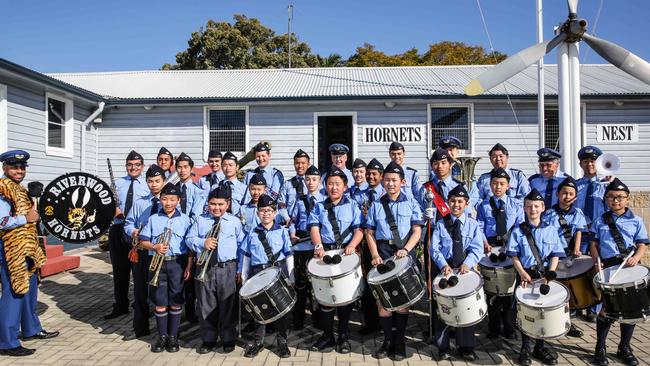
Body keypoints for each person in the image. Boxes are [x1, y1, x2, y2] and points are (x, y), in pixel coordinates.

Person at [0, 150, 58, 357]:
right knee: (15, 291)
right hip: (11, 248)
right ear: (5, 168)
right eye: (15, 167)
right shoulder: (3, 189)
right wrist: (27, 219)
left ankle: (31, 329)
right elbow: (1, 221)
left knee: (30, 289)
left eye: (22, 167)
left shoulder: (19, 189)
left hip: (27, 247)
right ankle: (6, 341)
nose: (19, 170)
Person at [365, 162, 423, 361]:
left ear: (402, 182)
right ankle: (387, 340)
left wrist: (406, 249)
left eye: (394, 180)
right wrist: (374, 255)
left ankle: (400, 341)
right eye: (387, 180)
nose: (390, 184)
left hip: (404, 252)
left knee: (402, 300)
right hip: (383, 250)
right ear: (382, 181)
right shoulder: (376, 205)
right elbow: (370, 232)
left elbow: (417, 230)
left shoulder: (412, 203)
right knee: (383, 301)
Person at [590, 178, 648, 366]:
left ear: (627, 199)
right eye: (611, 197)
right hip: (608, 268)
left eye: (620, 197)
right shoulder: (600, 220)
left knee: (630, 311)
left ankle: (624, 347)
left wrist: (637, 257)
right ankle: (600, 348)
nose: (616, 201)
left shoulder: (636, 220)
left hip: (629, 268)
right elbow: (594, 244)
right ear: (606, 199)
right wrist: (597, 261)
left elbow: (641, 244)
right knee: (606, 310)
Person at [506, 189, 565, 366]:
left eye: (536, 206)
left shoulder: (551, 230)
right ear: (524, 208)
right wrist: (522, 272)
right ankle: (525, 347)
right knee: (526, 311)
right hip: (526, 275)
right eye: (529, 206)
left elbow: (556, 253)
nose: (533, 209)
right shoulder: (517, 230)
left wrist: (550, 273)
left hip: (544, 277)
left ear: (543, 207)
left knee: (543, 311)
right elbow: (514, 255)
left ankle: (540, 346)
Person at [308, 167, 363, 353]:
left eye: (337, 184)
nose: (333, 187)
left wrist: (353, 245)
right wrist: (318, 246)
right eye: (330, 184)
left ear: (345, 187)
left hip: (346, 254)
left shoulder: (353, 205)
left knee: (345, 297)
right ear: (325, 186)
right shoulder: (318, 206)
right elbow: (314, 227)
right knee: (325, 297)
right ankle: (327, 336)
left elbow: (359, 229)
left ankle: (344, 337)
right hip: (326, 254)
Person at [187, 184, 244, 354]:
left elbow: (242, 246)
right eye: (213, 204)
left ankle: (228, 338)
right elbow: (189, 239)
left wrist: (240, 269)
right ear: (208, 204)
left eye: (220, 204)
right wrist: (201, 243)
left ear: (227, 204)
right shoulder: (200, 220)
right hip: (205, 267)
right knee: (206, 304)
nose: (216, 208)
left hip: (227, 268)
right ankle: (209, 339)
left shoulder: (234, 222)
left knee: (228, 304)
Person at [429, 184, 483, 362]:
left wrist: (468, 263)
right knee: (444, 308)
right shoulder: (440, 223)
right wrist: (443, 264)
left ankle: (466, 347)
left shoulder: (473, 225)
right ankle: (443, 346)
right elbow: (434, 248)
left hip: (463, 270)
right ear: (448, 202)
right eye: (452, 201)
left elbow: (477, 249)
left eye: (460, 201)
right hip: (445, 269)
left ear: (466, 203)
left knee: (464, 307)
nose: (456, 205)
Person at [238, 194, 294, 358]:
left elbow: (289, 254)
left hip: (278, 273)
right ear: (257, 213)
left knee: (281, 309)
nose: (266, 214)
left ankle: (282, 342)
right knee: (259, 311)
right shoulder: (252, 233)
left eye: (269, 210)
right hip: (257, 274)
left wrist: (291, 276)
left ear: (275, 212)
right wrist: (243, 276)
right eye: (262, 211)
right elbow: (247, 256)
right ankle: (258, 342)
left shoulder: (282, 231)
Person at [138, 183, 192, 353]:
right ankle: (162, 337)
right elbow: (142, 241)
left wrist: (189, 265)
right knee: (160, 303)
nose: (168, 203)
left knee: (176, 303)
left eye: (172, 200)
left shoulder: (185, 219)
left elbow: (190, 247)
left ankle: (173, 337)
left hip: (177, 263)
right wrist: (154, 247)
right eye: (164, 199)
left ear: (178, 201)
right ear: (160, 200)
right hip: (158, 264)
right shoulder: (153, 219)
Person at [475, 168, 523, 341]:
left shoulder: (515, 204)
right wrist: (484, 242)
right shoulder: (484, 205)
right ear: (490, 184)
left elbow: (519, 227)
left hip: (509, 249)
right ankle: (494, 327)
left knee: (509, 291)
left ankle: (509, 327)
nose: (498, 187)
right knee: (492, 291)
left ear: (508, 185)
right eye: (495, 183)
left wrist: (512, 246)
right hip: (490, 249)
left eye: (502, 184)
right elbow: (479, 226)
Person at [123, 164, 166, 340]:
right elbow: (128, 223)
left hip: (161, 253)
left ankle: (164, 330)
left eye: (157, 181)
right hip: (142, 252)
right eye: (150, 181)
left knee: (161, 292)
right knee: (140, 290)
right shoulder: (140, 203)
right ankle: (140, 328)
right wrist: (132, 231)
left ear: (163, 181)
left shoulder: (170, 202)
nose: (154, 185)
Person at [105, 150, 149, 320]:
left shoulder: (147, 185)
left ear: (142, 167)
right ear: (126, 166)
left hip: (137, 232)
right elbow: (105, 206)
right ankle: (120, 305)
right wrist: (112, 210)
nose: (133, 167)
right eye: (130, 165)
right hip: (118, 229)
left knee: (139, 272)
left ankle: (141, 305)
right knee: (119, 271)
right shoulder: (117, 184)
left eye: (137, 165)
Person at [542, 176, 587, 338]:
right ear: (558, 195)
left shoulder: (578, 213)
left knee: (569, 289)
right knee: (555, 288)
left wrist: (577, 248)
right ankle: (553, 319)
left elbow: (579, 231)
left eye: (570, 193)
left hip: (569, 257)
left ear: (575, 196)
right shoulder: (549, 214)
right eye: (563, 193)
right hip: (554, 257)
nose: (567, 196)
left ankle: (568, 322)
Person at [288, 165, 325, 330]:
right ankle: (298, 320)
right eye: (308, 179)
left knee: (316, 286)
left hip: (316, 247)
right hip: (301, 247)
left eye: (314, 179)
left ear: (320, 181)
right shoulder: (300, 199)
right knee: (300, 285)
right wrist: (292, 233)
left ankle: (318, 320)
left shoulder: (324, 199)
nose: (311, 182)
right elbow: (293, 220)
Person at [575, 146, 607, 322]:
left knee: (597, 268)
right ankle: (580, 304)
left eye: (593, 161)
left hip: (597, 235)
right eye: (586, 162)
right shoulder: (576, 185)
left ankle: (595, 307)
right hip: (580, 234)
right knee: (579, 270)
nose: (589, 165)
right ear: (580, 164)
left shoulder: (605, 184)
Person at [175, 152, 205, 324]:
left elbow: (196, 216)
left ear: (191, 169)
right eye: (179, 167)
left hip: (191, 237)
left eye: (185, 167)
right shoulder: (173, 190)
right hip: (176, 240)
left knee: (191, 275)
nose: (182, 170)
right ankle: (178, 309)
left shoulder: (198, 192)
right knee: (178, 274)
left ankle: (192, 312)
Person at [356, 158, 384, 335]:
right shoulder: (359, 194)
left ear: (381, 176)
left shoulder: (387, 193)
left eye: (374, 174)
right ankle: (371, 323)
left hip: (382, 242)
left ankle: (389, 322)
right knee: (367, 284)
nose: (370, 177)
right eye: (368, 174)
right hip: (366, 243)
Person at [418, 148, 477, 216]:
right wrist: (424, 215)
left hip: (454, 226)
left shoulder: (459, 186)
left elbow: (466, 212)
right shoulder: (425, 188)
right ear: (432, 166)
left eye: (443, 163)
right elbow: (419, 211)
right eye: (436, 163)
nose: (440, 166)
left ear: (450, 165)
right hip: (432, 226)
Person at [279, 149, 311, 225]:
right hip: (289, 222)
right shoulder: (287, 184)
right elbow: (281, 204)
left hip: (308, 223)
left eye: (303, 163)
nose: (300, 166)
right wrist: (287, 219)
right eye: (297, 163)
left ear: (308, 164)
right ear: (294, 164)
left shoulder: (312, 183)